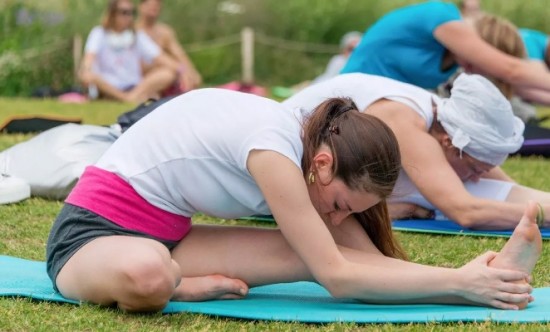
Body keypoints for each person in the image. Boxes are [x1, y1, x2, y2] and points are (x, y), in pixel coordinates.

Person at [46, 88, 539, 313]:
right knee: (148, 275)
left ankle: (488, 280)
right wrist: (460, 279)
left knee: (305, 252)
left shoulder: (316, 152)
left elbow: (361, 264)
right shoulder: (273, 150)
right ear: (323, 165)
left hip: (169, 235)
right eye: (344, 203)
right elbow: (338, 278)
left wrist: (470, 283)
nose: (339, 216)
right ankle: (178, 286)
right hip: (90, 236)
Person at [283, 72, 550, 230]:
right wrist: (537, 215)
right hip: (288, 169)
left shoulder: (444, 118)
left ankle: (384, 207)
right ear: (450, 143)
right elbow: (466, 212)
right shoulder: (404, 122)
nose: (480, 177)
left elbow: (509, 191)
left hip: (341, 159)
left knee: (461, 190)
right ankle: (382, 208)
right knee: (446, 197)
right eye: (474, 168)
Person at [340, 1, 550, 106]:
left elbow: (519, 87)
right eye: (484, 61)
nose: (477, 70)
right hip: (346, 96)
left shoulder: (447, 63)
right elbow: (511, 71)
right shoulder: (441, 14)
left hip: (374, 103)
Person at [79, 0, 184, 103]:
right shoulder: (99, 33)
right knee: (87, 74)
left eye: (131, 13)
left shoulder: (137, 35)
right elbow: (89, 59)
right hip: (107, 86)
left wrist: (182, 71)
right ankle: (127, 98)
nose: (129, 17)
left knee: (168, 73)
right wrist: (87, 70)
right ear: (112, 13)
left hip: (134, 86)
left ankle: (129, 97)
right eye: (124, 12)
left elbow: (161, 58)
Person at [136, 0, 202, 93]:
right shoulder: (133, 31)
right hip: (141, 79)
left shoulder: (164, 32)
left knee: (189, 77)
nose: (154, 7)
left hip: (164, 76)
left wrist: (191, 73)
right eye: (150, 4)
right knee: (168, 73)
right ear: (141, 6)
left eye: (157, 5)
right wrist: (177, 69)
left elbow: (180, 55)